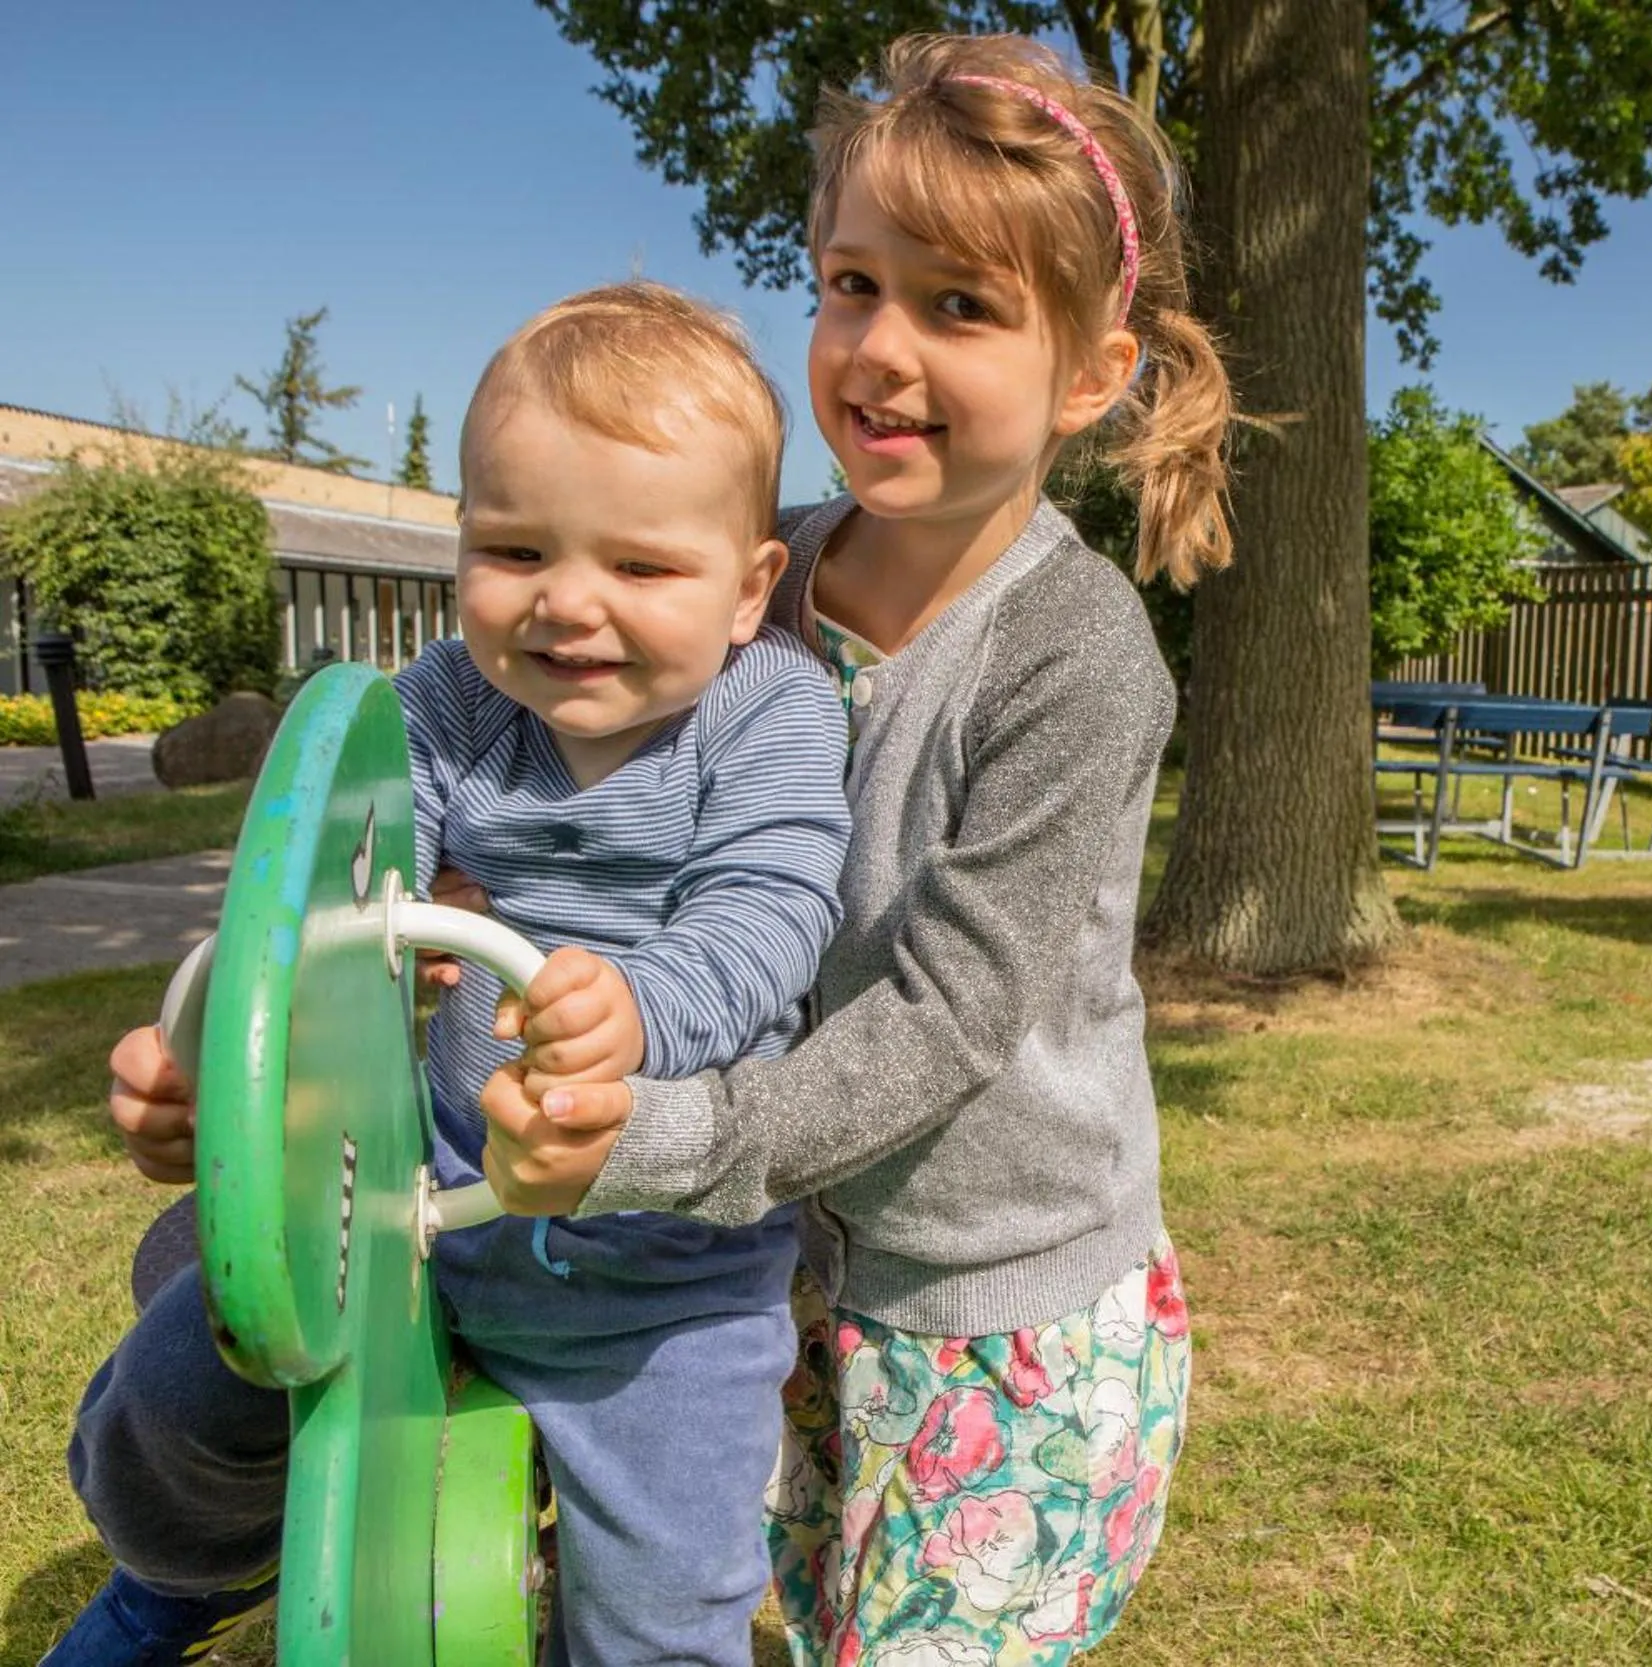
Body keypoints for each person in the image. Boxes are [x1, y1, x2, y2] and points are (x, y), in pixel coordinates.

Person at [477, 33, 1226, 1665]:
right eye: (850, 283)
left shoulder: (1076, 657)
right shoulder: (745, 581)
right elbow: (583, 788)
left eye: (961, 305)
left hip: (992, 1293)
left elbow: (944, 1019)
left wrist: (641, 1140)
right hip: (771, 1252)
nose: (880, 349)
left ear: (1091, 374)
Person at [64, 283, 851, 1667]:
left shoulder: (772, 710)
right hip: (412, 1206)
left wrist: (635, 1011)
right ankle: (174, 1580)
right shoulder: (438, 701)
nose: (567, 601)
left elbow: (766, 917)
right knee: (174, 1398)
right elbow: (316, 914)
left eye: (642, 567)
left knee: (661, 1612)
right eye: (515, 547)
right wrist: (216, 1067)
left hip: (663, 1270)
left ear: (746, 591)